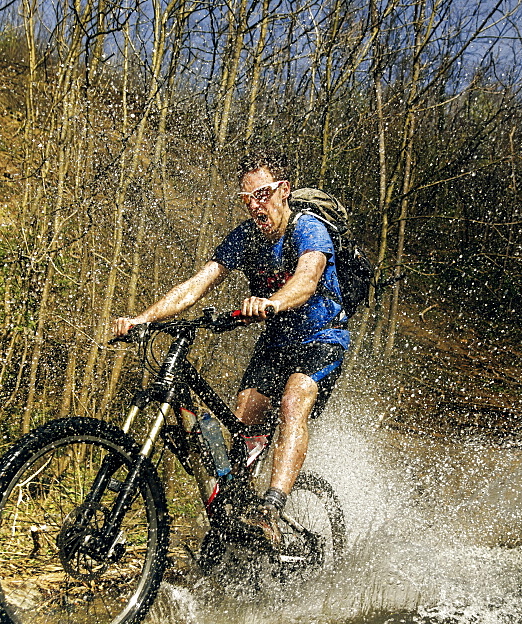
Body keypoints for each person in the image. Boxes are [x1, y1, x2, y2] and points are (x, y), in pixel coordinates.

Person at [111, 150, 348, 546]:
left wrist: (272, 302)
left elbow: (307, 278)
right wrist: (143, 319)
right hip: (277, 341)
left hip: (321, 337)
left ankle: (270, 510)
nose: (255, 205)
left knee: (293, 402)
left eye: (262, 194)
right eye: (246, 198)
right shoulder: (244, 238)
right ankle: (235, 518)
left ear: (284, 191)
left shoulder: (308, 228)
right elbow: (197, 284)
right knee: (245, 415)